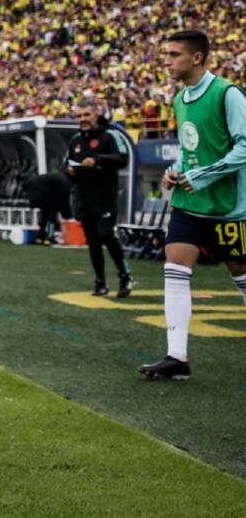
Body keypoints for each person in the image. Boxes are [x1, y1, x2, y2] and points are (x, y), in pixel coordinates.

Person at [140, 29, 246, 381]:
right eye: (166, 55)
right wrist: (174, 171)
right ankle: (177, 357)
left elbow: (244, 146)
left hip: (230, 207)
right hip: (190, 203)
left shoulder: (228, 94)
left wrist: (201, 175)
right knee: (174, 266)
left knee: (241, 275)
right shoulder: (180, 99)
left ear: (196, 58)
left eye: (174, 55)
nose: (167, 62)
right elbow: (189, 151)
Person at [66, 100, 132, 297]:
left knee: (106, 234)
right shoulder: (75, 140)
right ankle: (100, 282)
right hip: (83, 198)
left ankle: (125, 276)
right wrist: (69, 171)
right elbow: (65, 165)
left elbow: (123, 158)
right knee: (93, 242)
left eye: (86, 115)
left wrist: (97, 160)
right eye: (79, 116)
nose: (82, 119)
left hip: (105, 197)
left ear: (97, 115)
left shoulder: (111, 135)